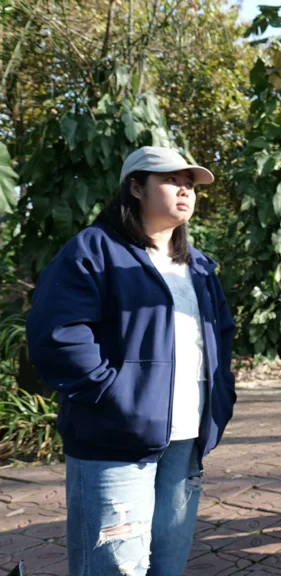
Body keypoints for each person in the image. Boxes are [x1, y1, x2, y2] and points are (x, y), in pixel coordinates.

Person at [26, 147, 236, 575]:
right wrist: (111, 395)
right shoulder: (94, 250)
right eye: (171, 180)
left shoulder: (197, 267)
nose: (185, 191)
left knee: (168, 565)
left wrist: (222, 397)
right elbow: (56, 333)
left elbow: (222, 336)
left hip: (185, 441)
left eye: (190, 184)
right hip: (113, 441)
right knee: (115, 568)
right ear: (136, 187)